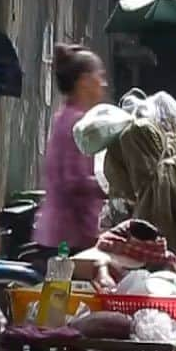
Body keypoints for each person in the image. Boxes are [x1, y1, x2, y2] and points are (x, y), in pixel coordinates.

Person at [34, 44, 109, 256]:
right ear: (84, 81)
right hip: (68, 235)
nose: (104, 84)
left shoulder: (66, 116)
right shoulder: (78, 122)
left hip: (59, 232)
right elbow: (74, 182)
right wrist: (109, 187)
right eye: (99, 77)